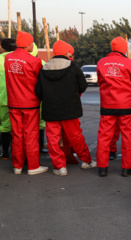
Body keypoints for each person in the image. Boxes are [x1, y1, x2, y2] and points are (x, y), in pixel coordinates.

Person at [35, 40, 96, 176]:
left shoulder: (44, 68)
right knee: (76, 136)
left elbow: (38, 91)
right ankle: (86, 161)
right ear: (66, 52)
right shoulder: (73, 66)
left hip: (50, 110)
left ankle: (60, 167)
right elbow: (83, 86)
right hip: (70, 108)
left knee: (52, 139)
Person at [4, 31, 48, 175]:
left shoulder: (8, 58)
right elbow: (39, 81)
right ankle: (33, 166)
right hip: (30, 103)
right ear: (28, 44)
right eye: (31, 43)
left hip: (13, 102)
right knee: (31, 135)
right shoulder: (34, 61)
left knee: (16, 134)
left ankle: (17, 166)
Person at [96, 36, 131, 177]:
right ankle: (127, 168)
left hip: (107, 105)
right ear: (124, 48)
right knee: (127, 137)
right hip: (126, 106)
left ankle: (102, 167)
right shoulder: (130, 63)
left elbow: (100, 81)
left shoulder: (101, 63)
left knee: (104, 137)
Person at [0, 38, 16, 160]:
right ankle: (14, 150)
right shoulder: (18, 60)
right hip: (17, 99)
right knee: (16, 126)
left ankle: (4, 153)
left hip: (2, 98)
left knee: (4, 126)